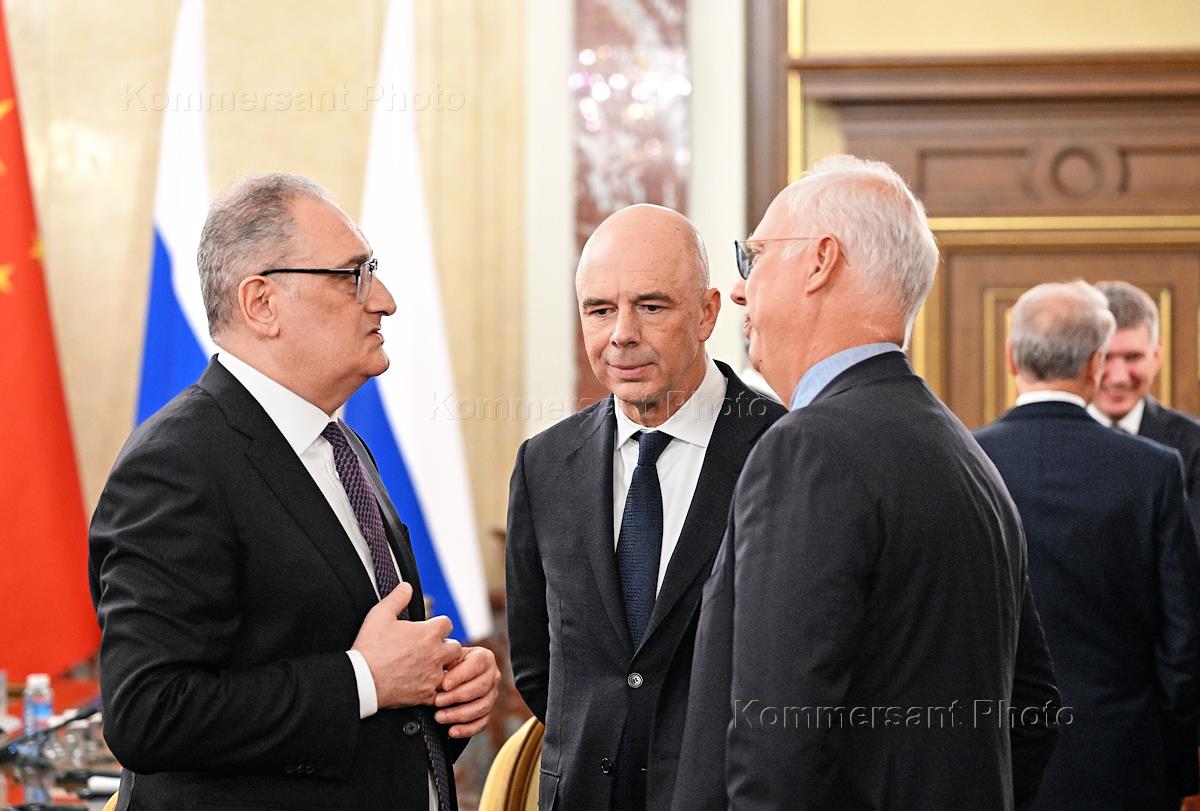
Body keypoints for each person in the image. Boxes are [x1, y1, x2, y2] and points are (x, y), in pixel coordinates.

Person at [89, 173, 500, 810]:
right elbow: (149, 712)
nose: (385, 300)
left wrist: (442, 691)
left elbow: (358, 668)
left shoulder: (343, 447)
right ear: (262, 303)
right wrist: (364, 679)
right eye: (352, 275)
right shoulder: (177, 461)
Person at [674, 155, 1060, 810]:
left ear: (820, 262)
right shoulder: (965, 454)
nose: (739, 289)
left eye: (754, 257)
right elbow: (1035, 710)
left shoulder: (808, 449)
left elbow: (778, 748)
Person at [505, 204, 786, 810]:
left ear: (708, 313)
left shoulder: (784, 452)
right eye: (599, 310)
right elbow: (536, 664)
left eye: (651, 307)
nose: (621, 334)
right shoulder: (543, 464)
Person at [975, 281, 1200, 811]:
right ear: (1096, 364)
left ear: (1010, 358)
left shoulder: (966, 460)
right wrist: (1173, 756)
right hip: (1125, 759)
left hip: (997, 758)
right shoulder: (1153, 469)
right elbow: (1183, 640)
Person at [1091, 280, 1200, 533]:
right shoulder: (1046, 442)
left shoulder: (1194, 445)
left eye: (1133, 357)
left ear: (1157, 356)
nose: (1118, 377)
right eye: (1105, 357)